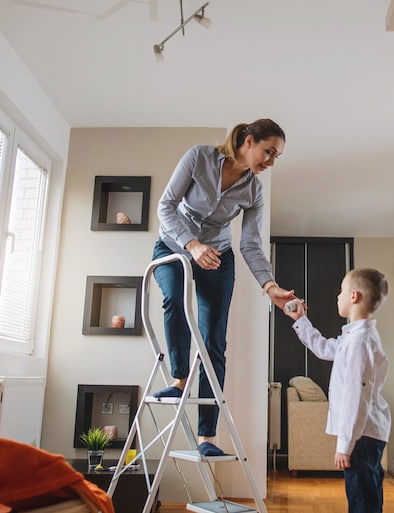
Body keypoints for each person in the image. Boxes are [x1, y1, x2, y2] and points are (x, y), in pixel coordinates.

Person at [151, 119, 295, 457]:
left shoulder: (254, 191)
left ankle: (207, 437)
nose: (271, 161)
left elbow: (250, 244)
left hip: (219, 256)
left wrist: (270, 285)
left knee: (213, 339)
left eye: (277, 156)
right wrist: (192, 244)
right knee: (174, 298)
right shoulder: (198, 157)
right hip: (174, 246)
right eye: (269, 152)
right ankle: (180, 380)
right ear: (248, 141)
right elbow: (165, 206)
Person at [283, 268, 391, 513]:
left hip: (361, 436)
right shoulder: (353, 338)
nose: (337, 296)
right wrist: (301, 320)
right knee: (367, 495)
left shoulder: (360, 343)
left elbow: (356, 397)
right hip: (366, 433)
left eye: (341, 291)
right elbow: (323, 349)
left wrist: (345, 445)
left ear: (354, 296)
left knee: (362, 500)